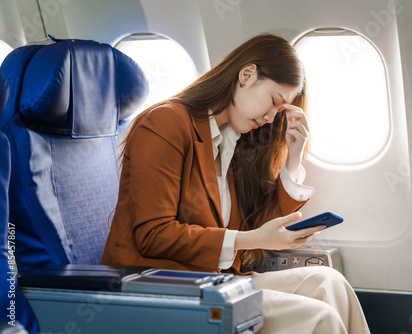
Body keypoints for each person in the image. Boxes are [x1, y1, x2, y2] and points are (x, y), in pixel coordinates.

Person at [102, 33, 370, 334]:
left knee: (329, 282)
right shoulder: (165, 124)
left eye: (279, 112)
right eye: (273, 102)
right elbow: (154, 235)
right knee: (319, 317)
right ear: (246, 75)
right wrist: (251, 239)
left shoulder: (234, 140)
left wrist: (294, 158)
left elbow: (261, 228)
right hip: (160, 286)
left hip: (214, 281)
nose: (271, 118)